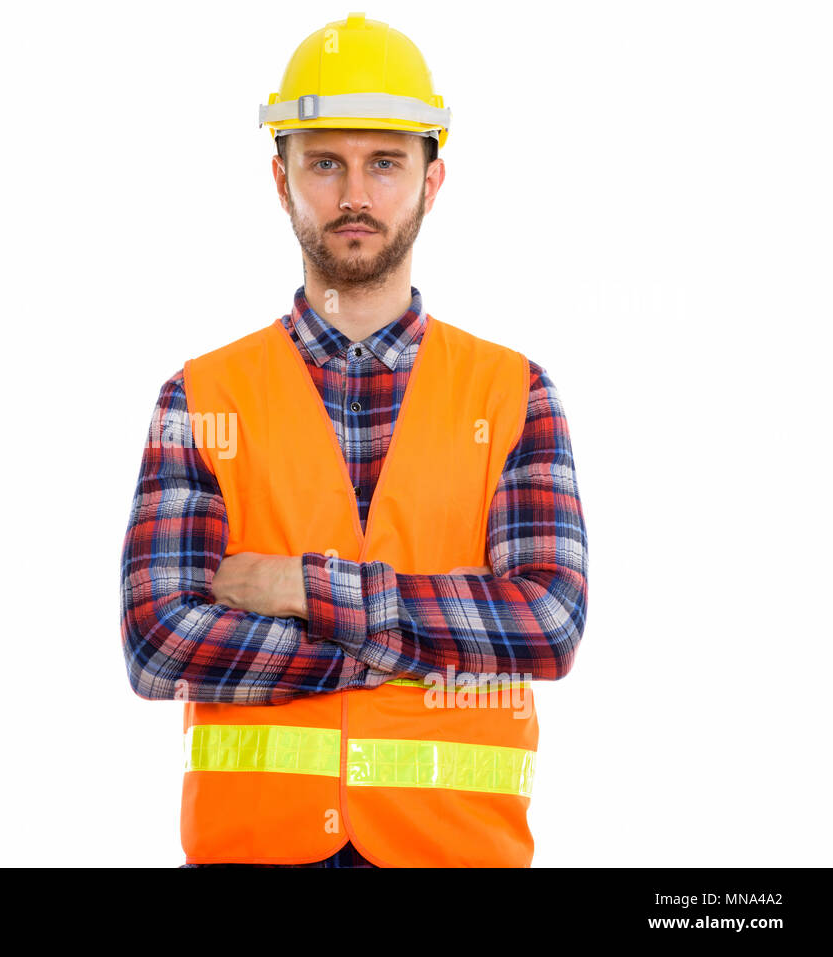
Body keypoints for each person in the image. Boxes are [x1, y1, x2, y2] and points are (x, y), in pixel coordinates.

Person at [119, 13, 588, 868]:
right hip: (253, 853)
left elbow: (548, 623)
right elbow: (159, 644)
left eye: (385, 162)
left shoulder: (514, 393)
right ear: (280, 178)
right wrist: (414, 644)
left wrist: (301, 587)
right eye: (325, 162)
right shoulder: (200, 395)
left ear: (433, 179)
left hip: (456, 854)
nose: (355, 196)